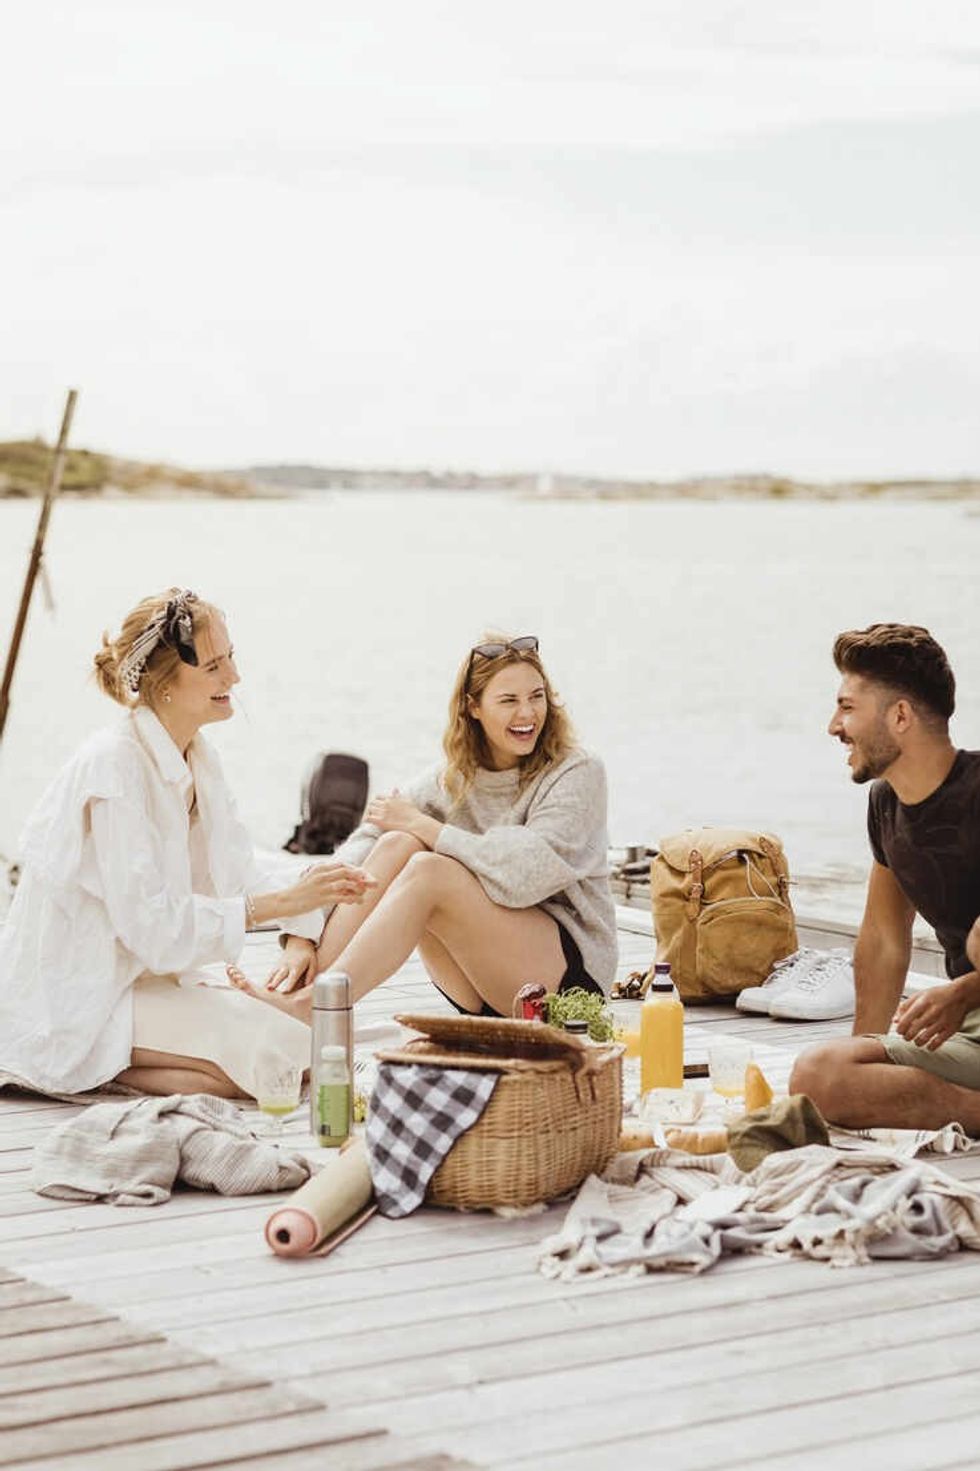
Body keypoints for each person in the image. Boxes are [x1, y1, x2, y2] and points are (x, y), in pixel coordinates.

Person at [0, 588, 374, 1100]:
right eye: (215, 666)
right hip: (90, 990)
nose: (234, 679)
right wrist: (282, 904)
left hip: (151, 980)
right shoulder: (114, 766)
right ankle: (87, 1062)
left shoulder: (197, 756)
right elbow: (151, 929)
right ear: (165, 683)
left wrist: (303, 919)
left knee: (301, 1055)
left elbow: (240, 868)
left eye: (232, 658)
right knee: (275, 1067)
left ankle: (115, 1067)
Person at [228, 634, 618, 1020]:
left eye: (537, 696)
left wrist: (429, 829)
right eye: (508, 700)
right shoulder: (453, 779)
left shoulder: (577, 771)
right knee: (398, 842)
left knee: (429, 870)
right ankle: (296, 997)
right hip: (475, 984)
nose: (528, 713)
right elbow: (361, 849)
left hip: (567, 985)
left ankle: (312, 1008)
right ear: (474, 708)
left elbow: (526, 877)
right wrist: (301, 936)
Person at [790, 623, 980, 1130]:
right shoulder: (887, 804)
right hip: (970, 1024)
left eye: (847, 707)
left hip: (970, 1003)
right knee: (824, 1075)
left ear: (900, 716)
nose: (834, 726)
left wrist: (966, 990)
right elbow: (882, 943)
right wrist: (862, 1051)